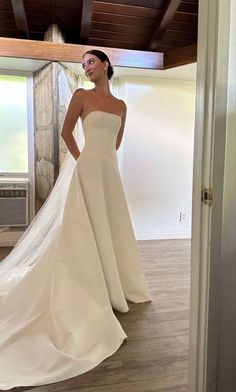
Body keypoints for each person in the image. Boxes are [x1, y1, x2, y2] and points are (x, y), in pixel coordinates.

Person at [0, 49, 150, 390]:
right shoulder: (81, 96)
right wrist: (83, 161)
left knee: (112, 225)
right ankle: (92, 283)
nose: (86, 67)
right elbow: (68, 133)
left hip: (108, 171)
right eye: (83, 64)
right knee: (82, 228)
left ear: (106, 65)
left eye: (91, 62)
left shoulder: (121, 106)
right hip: (87, 168)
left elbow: (117, 141)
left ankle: (119, 283)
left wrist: (103, 159)